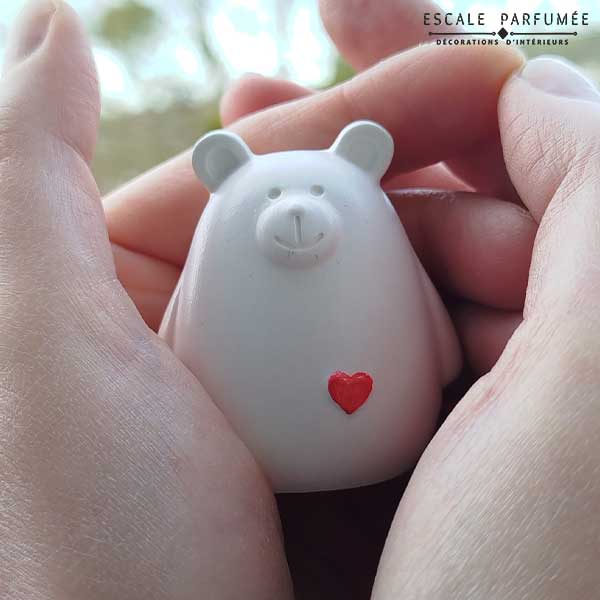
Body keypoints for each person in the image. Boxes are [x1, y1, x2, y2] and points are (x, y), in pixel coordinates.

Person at [1, 0, 599, 598]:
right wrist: (441, 359)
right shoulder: (226, 225)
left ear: (363, 163)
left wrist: (438, 355)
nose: (295, 211)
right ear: (220, 173)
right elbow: (181, 325)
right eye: (274, 199)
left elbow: (176, 336)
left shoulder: (358, 214)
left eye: (316, 192)